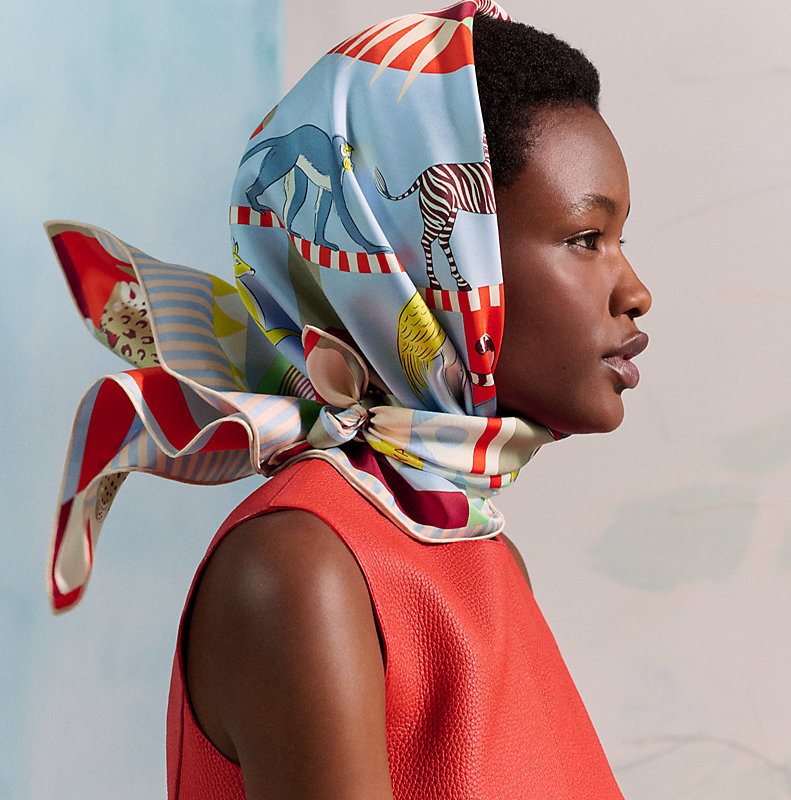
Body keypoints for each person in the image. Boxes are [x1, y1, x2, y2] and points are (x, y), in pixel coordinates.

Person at [46, 1, 651, 798]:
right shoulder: (304, 567)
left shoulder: (476, 545)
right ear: (435, 256)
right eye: (585, 239)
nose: (635, 292)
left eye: (621, 240)